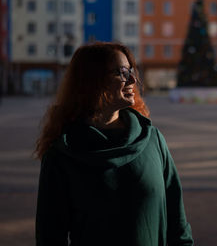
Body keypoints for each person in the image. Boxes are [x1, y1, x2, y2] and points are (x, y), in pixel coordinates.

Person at [34, 42, 193, 246]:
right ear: (92, 81)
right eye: (122, 72)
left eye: (131, 71)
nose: (133, 80)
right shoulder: (61, 155)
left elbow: (177, 223)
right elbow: (50, 237)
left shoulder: (153, 139)